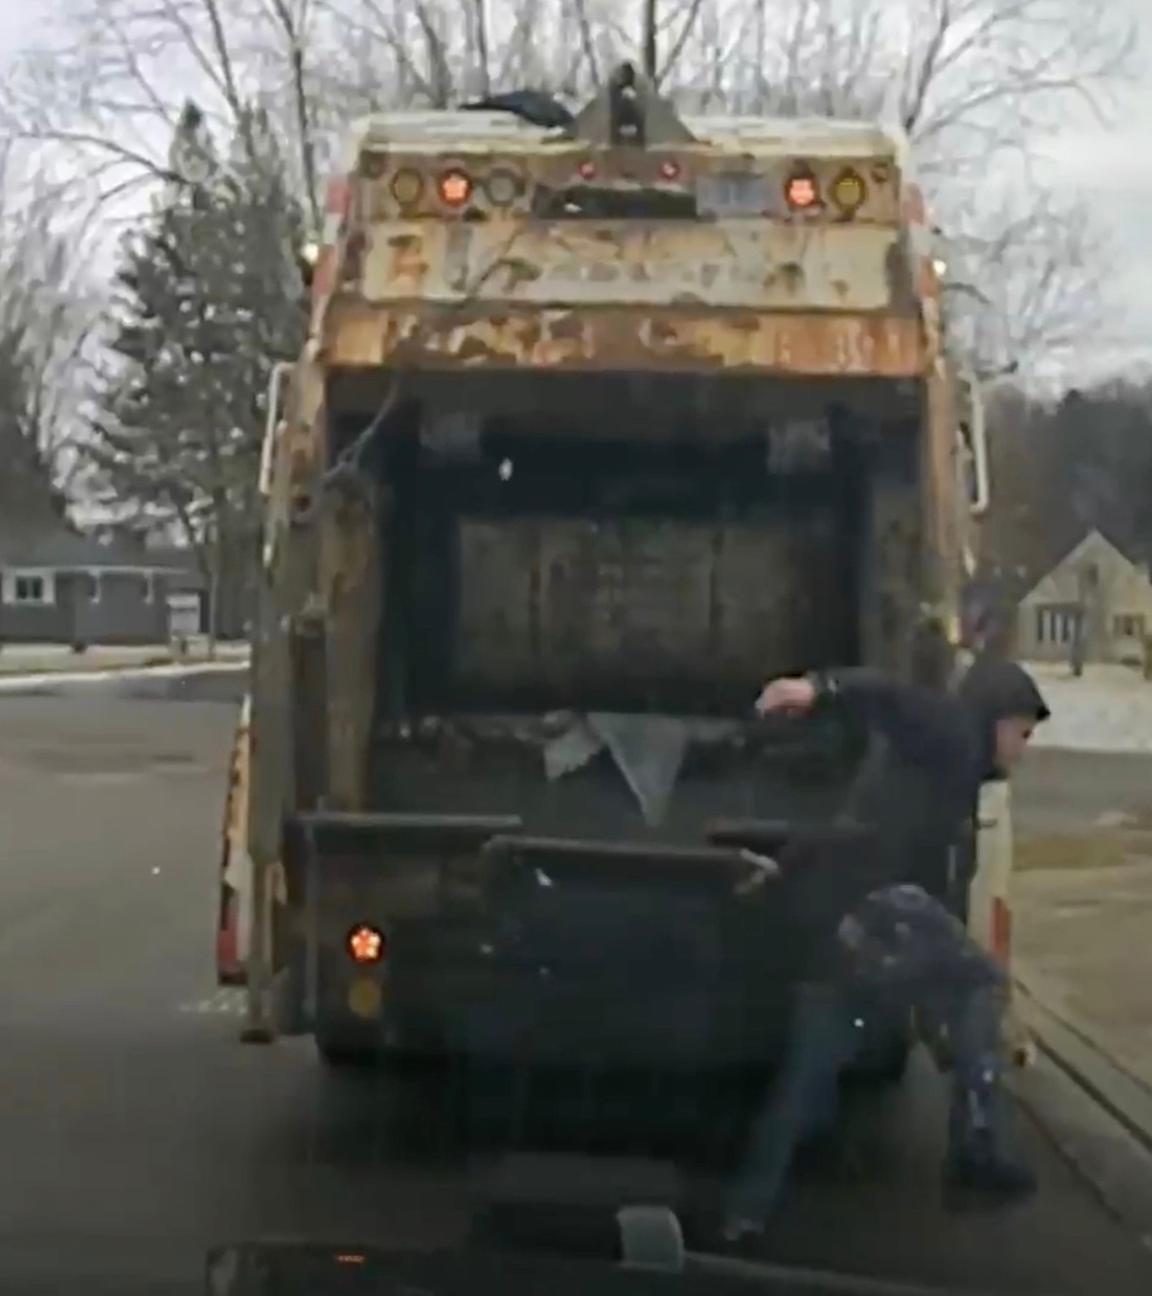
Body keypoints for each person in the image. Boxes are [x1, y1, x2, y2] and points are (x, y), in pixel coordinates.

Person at [723, 659, 1050, 1243]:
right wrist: (817, 690)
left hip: (851, 929)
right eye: (1022, 732)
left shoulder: (928, 776)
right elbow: (892, 694)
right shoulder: (952, 730)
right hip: (884, 911)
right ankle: (975, 1150)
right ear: (995, 717)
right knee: (982, 981)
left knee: (808, 1075)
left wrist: (781, 871)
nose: (1023, 750)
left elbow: (845, 827)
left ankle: (743, 1214)